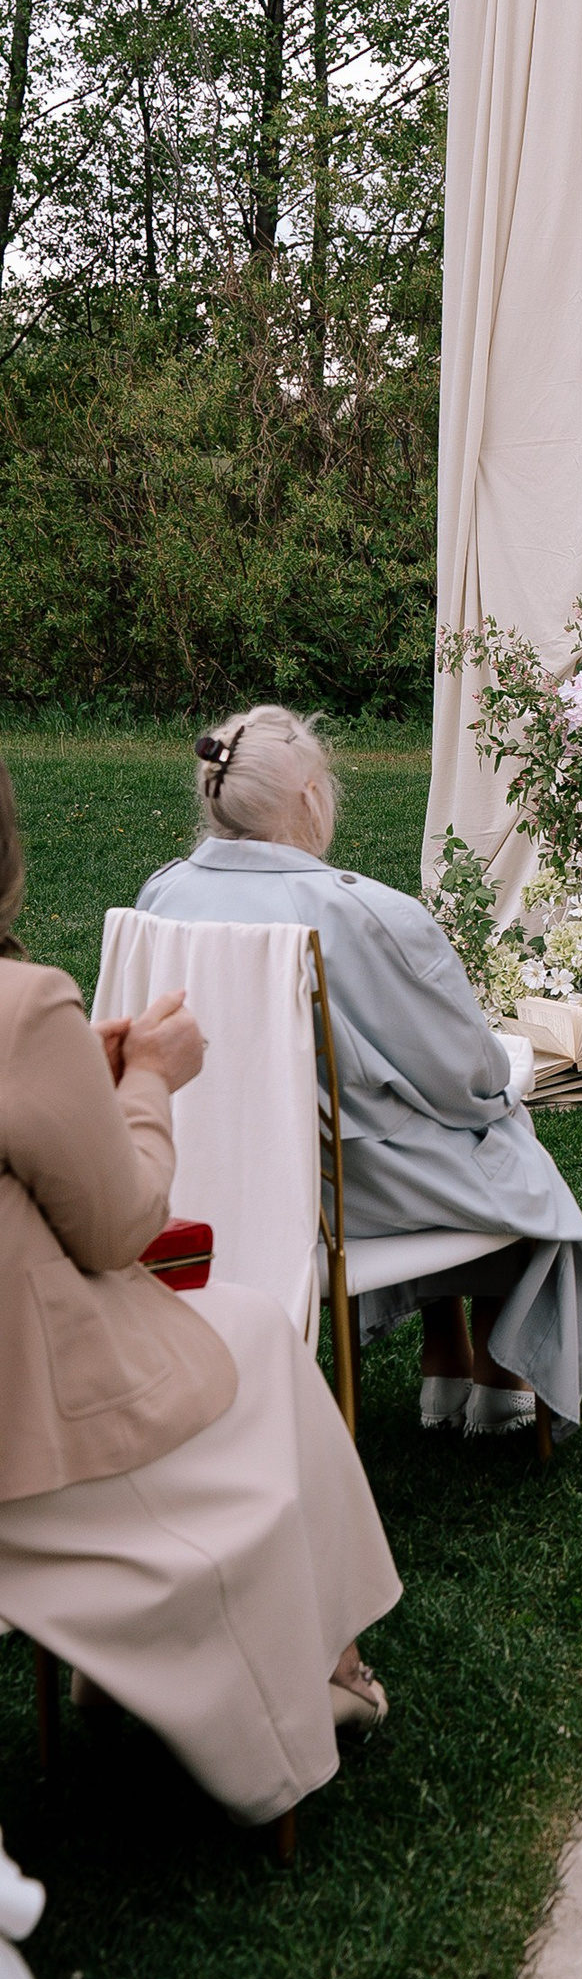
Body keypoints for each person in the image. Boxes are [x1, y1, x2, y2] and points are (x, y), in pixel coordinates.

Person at [0, 754, 398, 1831]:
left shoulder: (147, 912)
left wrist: (71, 1081)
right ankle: (322, 1661)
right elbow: (121, 1225)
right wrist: (148, 1080)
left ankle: (184, 1657)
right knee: (260, 1335)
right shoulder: (19, 1009)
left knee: (252, 1335)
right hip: (32, 1412)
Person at [136, 706, 582, 1437]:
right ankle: (495, 1373)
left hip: (208, 1179)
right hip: (343, 1193)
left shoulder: (161, 896)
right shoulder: (365, 914)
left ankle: (445, 1352)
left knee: (427, 1122)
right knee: (495, 1127)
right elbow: (467, 1076)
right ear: (310, 797)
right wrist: (504, 1077)